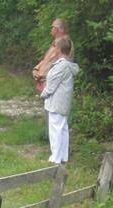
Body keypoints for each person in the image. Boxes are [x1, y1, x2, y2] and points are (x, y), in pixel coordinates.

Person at [40, 36, 78, 165]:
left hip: (56, 103)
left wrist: (43, 94)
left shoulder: (61, 66)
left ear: (60, 49)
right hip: (63, 102)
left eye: (55, 47)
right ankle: (63, 156)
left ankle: (55, 158)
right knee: (62, 129)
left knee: (56, 130)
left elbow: (51, 86)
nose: (53, 49)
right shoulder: (68, 65)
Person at [32, 18, 68, 94]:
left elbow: (54, 62)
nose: (51, 30)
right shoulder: (57, 41)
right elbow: (47, 59)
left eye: (52, 27)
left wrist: (40, 74)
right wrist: (37, 68)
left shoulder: (64, 43)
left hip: (50, 81)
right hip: (45, 78)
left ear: (57, 29)